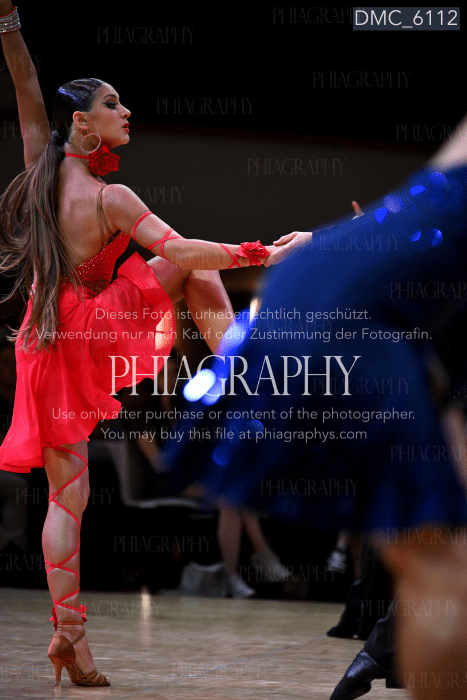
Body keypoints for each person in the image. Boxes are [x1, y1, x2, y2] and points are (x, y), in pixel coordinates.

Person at [0, 4, 299, 687]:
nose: (125, 111)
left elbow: (24, 84)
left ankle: (69, 635)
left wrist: (8, 20)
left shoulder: (41, 170)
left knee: (66, 497)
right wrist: (259, 252)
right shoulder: (112, 197)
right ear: (82, 123)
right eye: (112, 103)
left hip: (41, 339)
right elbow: (184, 252)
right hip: (89, 328)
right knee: (193, 268)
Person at [164, 117, 467, 697]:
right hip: (344, 316)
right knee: (440, 560)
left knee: (433, 551)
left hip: (317, 285)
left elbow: (412, 220)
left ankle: (377, 652)